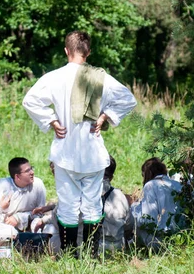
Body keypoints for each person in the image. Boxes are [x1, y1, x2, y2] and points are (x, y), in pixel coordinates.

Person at [22, 30, 137, 256]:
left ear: (66, 51)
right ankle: (91, 256)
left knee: (67, 207)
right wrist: (106, 116)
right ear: (88, 52)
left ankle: (69, 256)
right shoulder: (100, 77)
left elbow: (30, 100)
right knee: (93, 206)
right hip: (93, 153)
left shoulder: (54, 77)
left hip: (65, 153)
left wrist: (51, 121)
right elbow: (128, 99)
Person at [0, 157, 47, 246]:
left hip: (26, 226)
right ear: (17, 176)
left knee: (46, 229)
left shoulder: (38, 185)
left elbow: (40, 212)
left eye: (31, 168)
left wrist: (18, 218)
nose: (32, 172)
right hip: (0, 225)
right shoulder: (3, 185)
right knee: (6, 232)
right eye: (27, 171)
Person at [130, 157, 182, 251]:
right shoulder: (177, 185)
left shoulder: (150, 185)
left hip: (159, 239)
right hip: (179, 237)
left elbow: (147, 219)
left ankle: (131, 247)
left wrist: (134, 209)